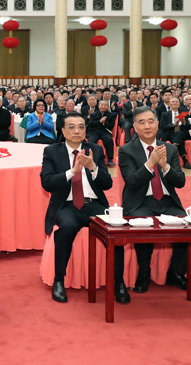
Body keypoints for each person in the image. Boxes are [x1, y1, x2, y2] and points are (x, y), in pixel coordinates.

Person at [41, 112, 123, 304]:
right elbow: (47, 183)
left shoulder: (94, 149)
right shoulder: (52, 151)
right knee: (67, 227)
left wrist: (93, 166)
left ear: (86, 130)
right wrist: (72, 172)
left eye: (81, 126)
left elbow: (107, 184)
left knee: (116, 230)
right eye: (71, 127)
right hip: (67, 205)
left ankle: (118, 282)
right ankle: (59, 280)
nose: (77, 131)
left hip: (94, 204)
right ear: (63, 130)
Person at [118, 106, 191, 294]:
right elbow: (132, 182)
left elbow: (180, 182)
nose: (147, 126)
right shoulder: (126, 150)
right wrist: (150, 164)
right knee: (143, 225)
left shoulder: (169, 148)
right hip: (140, 201)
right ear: (134, 127)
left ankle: (176, 272)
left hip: (168, 202)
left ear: (157, 124)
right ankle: (144, 273)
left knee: (187, 226)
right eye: (142, 122)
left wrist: (165, 166)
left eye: (150, 121)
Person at [159, 97, 191, 169]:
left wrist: (184, 122)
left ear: (179, 104)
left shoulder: (183, 113)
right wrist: (173, 125)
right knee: (179, 139)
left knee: (179, 133)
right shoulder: (165, 114)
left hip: (182, 133)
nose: (175, 103)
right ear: (170, 104)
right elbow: (162, 126)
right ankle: (185, 160)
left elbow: (189, 127)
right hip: (170, 134)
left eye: (176, 102)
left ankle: (173, 150)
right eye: (173, 102)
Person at [87, 100, 116, 166]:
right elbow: (90, 124)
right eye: (102, 105)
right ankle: (92, 158)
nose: (103, 107)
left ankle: (110, 159)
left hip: (104, 131)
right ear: (99, 106)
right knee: (91, 141)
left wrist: (104, 123)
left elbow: (111, 126)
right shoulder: (94, 114)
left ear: (107, 107)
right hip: (94, 131)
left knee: (109, 140)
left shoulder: (110, 115)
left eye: (105, 105)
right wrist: (99, 121)